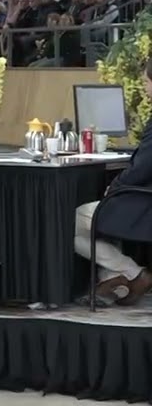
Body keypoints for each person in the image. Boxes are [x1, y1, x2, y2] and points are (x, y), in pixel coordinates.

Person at [75, 58, 152, 304]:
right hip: (142, 199)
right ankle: (115, 279)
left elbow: (143, 168)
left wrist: (114, 186)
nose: (144, 87)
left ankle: (133, 273)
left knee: (70, 223)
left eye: (145, 81)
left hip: (143, 204)